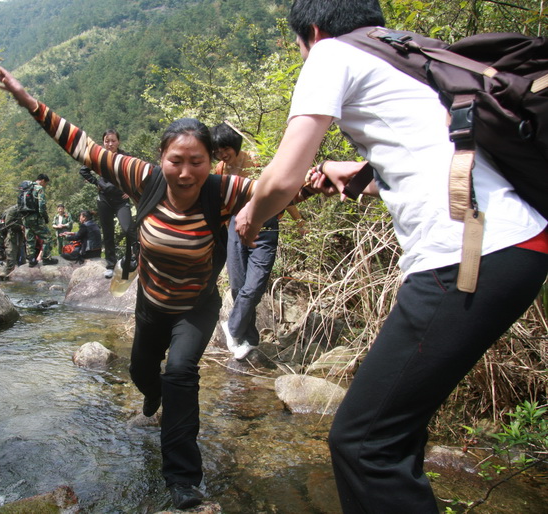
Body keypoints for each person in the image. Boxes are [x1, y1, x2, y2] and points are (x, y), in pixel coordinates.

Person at [235, 1, 548, 512]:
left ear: (311, 31)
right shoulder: (410, 51)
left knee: (364, 445)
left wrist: (252, 213)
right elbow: (445, 156)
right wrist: (357, 173)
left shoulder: (330, 52)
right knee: (388, 438)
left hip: (468, 255)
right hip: (517, 243)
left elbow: (283, 177)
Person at [0, 65, 255, 510]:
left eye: (197, 161)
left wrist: (337, 174)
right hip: (151, 304)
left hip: (196, 306)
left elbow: (287, 187)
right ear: (161, 158)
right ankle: (151, 393)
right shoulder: (143, 177)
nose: (186, 172)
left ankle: (183, 480)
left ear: (213, 161)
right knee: (142, 374)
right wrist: (27, 100)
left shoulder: (225, 190)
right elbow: (81, 146)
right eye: (176, 160)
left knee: (181, 376)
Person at [211, 123, 306, 360]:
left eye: (224, 148)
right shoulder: (220, 169)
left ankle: (232, 328)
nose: (222, 154)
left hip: (265, 224)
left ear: (234, 144)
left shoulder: (255, 160)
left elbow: (282, 191)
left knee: (254, 286)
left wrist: (299, 221)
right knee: (238, 285)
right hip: (234, 226)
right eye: (217, 150)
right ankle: (249, 340)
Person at [79, 129, 138, 279]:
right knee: (108, 232)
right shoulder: (98, 156)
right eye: (107, 141)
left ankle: (136, 258)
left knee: (128, 229)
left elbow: (137, 174)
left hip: (120, 200)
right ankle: (110, 265)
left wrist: (130, 191)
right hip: (104, 199)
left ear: (118, 141)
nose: (110, 144)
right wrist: (96, 182)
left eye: (113, 140)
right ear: (103, 142)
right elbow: (84, 170)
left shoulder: (126, 157)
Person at [19, 175, 58, 266]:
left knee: (30, 239)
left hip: (25, 218)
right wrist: (45, 217)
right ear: (43, 181)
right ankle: (46, 258)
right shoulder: (39, 188)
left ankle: (31, 260)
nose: (45, 185)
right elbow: (41, 205)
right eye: (46, 183)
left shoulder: (25, 188)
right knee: (47, 237)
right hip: (36, 218)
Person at [0, 204, 27, 272]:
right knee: (11, 261)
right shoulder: (13, 210)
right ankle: (5, 276)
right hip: (12, 238)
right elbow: (9, 223)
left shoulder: (26, 210)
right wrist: (21, 227)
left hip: (20, 238)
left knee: (22, 261)